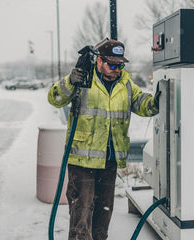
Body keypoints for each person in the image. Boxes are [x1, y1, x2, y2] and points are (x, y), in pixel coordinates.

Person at [48, 38, 160, 240]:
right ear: (98, 61)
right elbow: (54, 98)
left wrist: (158, 101)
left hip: (109, 161)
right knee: (82, 214)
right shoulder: (82, 80)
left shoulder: (125, 83)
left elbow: (141, 103)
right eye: (112, 64)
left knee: (103, 212)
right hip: (81, 162)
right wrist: (69, 82)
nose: (117, 68)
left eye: (120, 64)